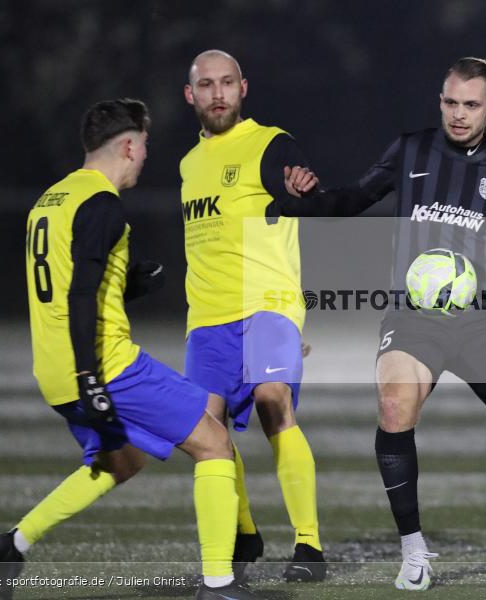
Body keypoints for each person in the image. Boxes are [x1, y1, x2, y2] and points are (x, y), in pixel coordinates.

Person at [271, 56, 486, 591]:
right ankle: (414, 551)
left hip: (483, 317)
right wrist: (306, 200)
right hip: (413, 316)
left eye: (470, 105)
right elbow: (353, 199)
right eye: (450, 102)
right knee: (393, 404)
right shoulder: (410, 152)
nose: (458, 114)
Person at [0, 98, 259, 600]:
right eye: (145, 146)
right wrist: (92, 376)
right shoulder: (101, 202)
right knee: (214, 442)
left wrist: (128, 285)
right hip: (105, 365)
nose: (146, 156)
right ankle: (218, 584)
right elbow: (81, 294)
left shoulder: (53, 198)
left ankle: (14, 544)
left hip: (53, 368)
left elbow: (69, 285)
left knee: (122, 461)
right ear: (128, 144)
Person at [180, 49, 325, 582]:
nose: (217, 93)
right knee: (205, 433)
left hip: (268, 304)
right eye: (206, 85)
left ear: (244, 88)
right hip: (207, 317)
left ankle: (309, 546)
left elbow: (305, 198)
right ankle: (244, 532)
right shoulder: (188, 165)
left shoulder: (270, 144)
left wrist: (302, 195)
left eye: (226, 83)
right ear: (190, 95)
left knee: (272, 401)